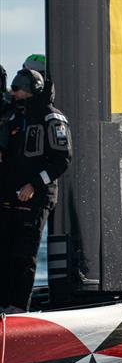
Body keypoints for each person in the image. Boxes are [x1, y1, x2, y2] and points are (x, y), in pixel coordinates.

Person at [0, 69, 72, 312]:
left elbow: (62, 160)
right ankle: (4, 305)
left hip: (36, 196)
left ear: (31, 91)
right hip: (9, 195)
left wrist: (33, 185)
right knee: (5, 252)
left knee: (24, 254)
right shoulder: (13, 116)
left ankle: (19, 308)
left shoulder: (52, 118)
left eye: (18, 90)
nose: (14, 94)